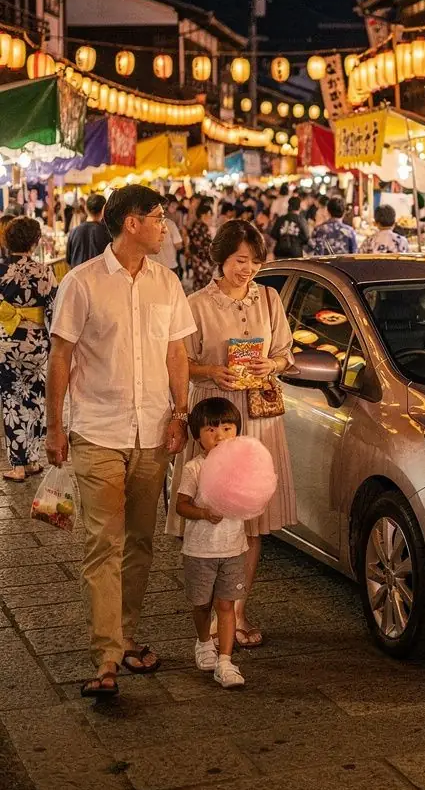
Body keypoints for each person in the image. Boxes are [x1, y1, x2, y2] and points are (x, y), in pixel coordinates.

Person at [45, 185, 195, 700]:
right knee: (102, 543)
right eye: (157, 218)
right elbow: (60, 358)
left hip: (152, 432)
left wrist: (180, 412)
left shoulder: (168, 283)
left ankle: (127, 633)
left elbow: (177, 353)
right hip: (98, 432)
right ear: (131, 223)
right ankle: (107, 655)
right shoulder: (82, 284)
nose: (165, 227)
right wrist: (55, 427)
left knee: (140, 542)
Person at [166, 219, 297, 647]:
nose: (249, 269)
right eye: (242, 260)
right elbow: (179, 362)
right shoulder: (196, 303)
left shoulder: (271, 298)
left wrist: (271, 366)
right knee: (211, 514)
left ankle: (238, 611)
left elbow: (285, 354)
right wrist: (211, 371)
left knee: (253, 522)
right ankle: (209, 609)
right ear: (221, 258)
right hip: (216, 418)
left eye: (256, 262)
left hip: (257, 418)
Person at [174, 397, 248, 689]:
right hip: (200, 550)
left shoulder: (244, 467)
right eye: (211, 431)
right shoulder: (194, 468)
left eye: (227, 429)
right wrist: (204, 513)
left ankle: (226, 661)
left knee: (226, 605)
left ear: (237, 433)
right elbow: (181, 506)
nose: (220, 437)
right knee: (201, 604)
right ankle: (204, 642)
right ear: (198, 436)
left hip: (233, 548)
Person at [0, 218, 56, 482]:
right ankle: (33, 460)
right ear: (34, 242)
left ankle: (18, 465)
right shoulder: (43, 271)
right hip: (35, 343)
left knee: (12, 401)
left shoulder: (0, 270)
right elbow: (54, 310)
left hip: (6, 342)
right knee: (35, 398)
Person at [66, 193, 110, 268]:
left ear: (86, 208)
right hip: (100, 277)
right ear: (104, 209)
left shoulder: (74, 231)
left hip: (78, 277)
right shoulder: (108, 232)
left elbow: (68, 259)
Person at [187, 198, 215, 291]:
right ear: (203, 215)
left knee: (198, 283)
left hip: (197, 260)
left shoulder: (196, 225)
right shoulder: (202, 227)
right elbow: (206, 247)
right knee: (204, 285)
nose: (210, 217)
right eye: (209, 215)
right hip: (202, 261)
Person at [155, 199, 184, 274]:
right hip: (169, 265)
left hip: (152, 266)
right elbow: (178, 245)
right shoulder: (170, 224)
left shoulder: (144, 224)